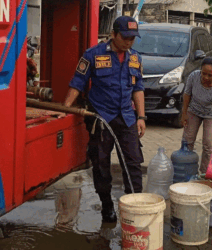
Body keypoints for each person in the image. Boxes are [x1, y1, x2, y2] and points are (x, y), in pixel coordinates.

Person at [64, 16, 146, 223]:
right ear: (113, 35)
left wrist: (142, 117)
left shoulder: (135, 58)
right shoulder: (93, 55)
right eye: (125, 37)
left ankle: (135, 207)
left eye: (132, 39)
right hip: (101, 118)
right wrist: (64, 109)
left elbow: (138, 88)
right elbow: (77, 83)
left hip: (127, 118)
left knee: (133, 163)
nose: (129, 42)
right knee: (101, 166)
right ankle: (107, 207)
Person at [180, 57, 212, 174]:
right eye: (203, 73)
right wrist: (184, 113)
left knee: (208, 145)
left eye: (209, 75)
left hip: (210, 115)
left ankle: (204, 173)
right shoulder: (194, 76)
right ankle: (187, 168)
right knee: (188, 140)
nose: (205, 77)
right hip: (193, 111)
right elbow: (187, 95)